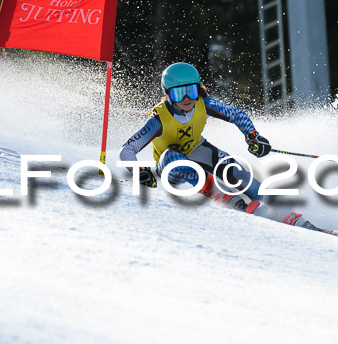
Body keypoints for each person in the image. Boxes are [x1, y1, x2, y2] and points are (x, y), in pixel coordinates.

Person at [119, 62, 321, 230]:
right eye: (179, 94)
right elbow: (127, 150)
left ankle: (283, 208)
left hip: (198, 150)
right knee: (174, 158)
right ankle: (235, 203)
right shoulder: (159, 119)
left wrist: (252, 137)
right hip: (171, 166)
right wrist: (138, 171)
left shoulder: (203, 103)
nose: (187, 98)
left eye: (191, 91)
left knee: (234, 170)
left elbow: (236, 114)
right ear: (168, 95)